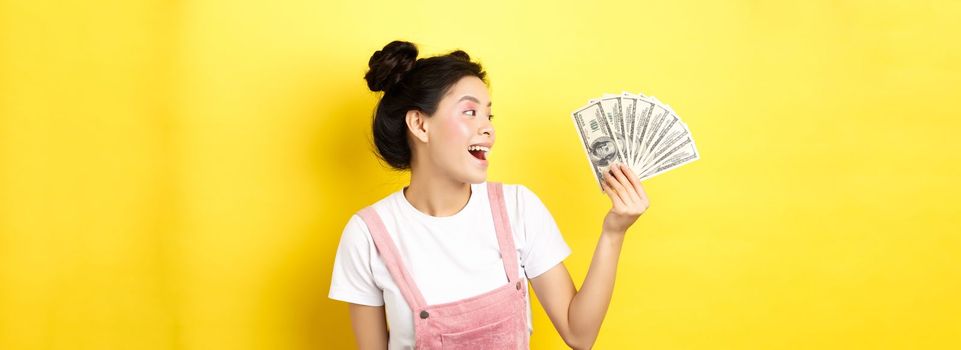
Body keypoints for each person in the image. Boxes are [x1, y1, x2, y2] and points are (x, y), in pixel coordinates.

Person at [328, 40, 650, 350]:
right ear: (420, 125)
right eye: (470, 112)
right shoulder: (368, 235)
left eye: (489, 116)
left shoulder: (518, 208)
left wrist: (614, 231)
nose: (488, 129)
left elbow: (579, 334)